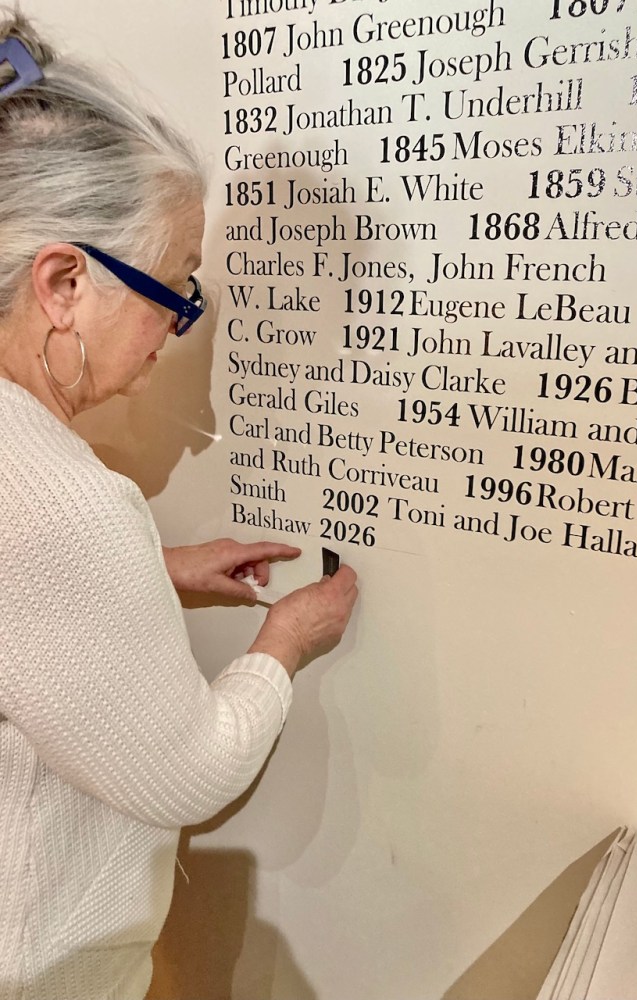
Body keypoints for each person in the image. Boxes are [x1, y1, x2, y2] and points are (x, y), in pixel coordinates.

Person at [0, 11, 358, 1000]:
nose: (177, 327)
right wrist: (286, 639)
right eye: (171, 288)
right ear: (65, 282)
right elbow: (185, 775)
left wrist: (152, 570)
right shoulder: (68, 500)